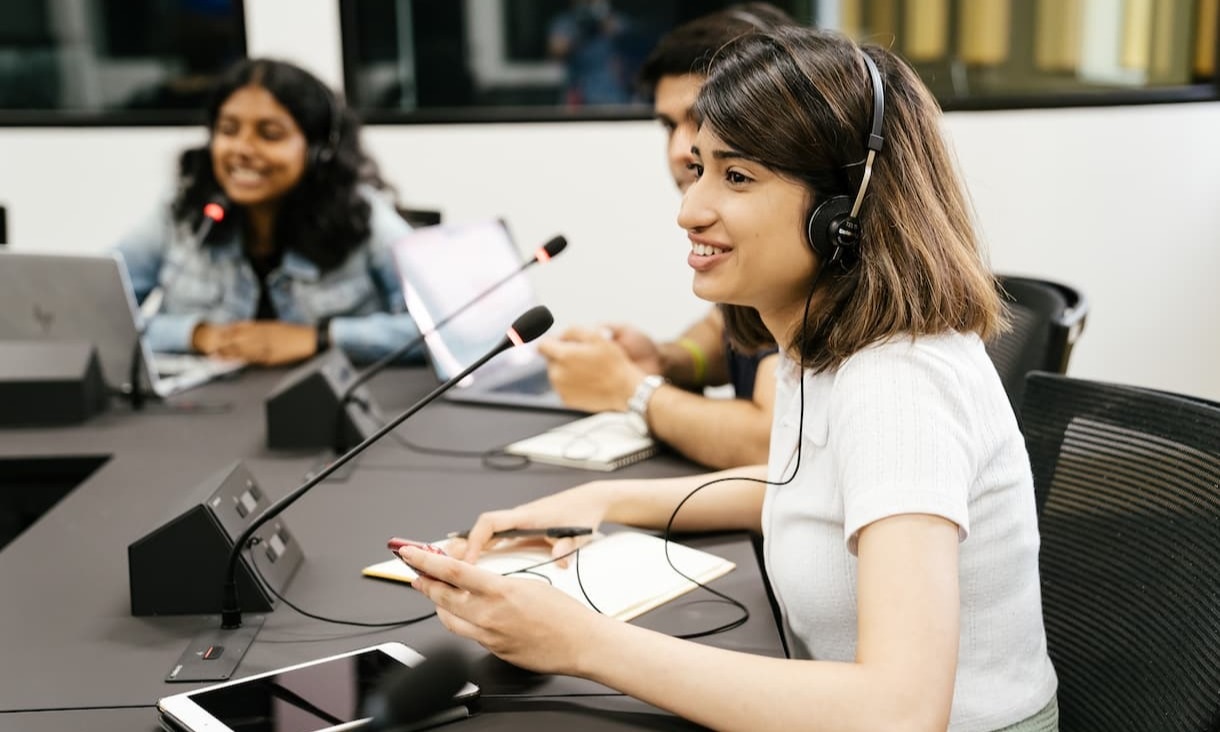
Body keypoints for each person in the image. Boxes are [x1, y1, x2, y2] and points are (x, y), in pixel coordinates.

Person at [401, 26, 1059, 732]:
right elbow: (808, 487)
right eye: (699, 171)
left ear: (844, 212)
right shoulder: (824, 344)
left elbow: (901, 713)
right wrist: (601, 496)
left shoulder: (898, 382)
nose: (689, 210)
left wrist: (579, 643)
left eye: (737, 177)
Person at [539, 4, 795, 470]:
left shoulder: (809, 242)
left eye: (699, 117)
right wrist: (667, 359)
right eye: (667, 125)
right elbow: (733, 329)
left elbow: (771, 444)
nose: (680, 149)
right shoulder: (749, 247)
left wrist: (630, 390)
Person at [116, 58, 422, 366]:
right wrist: (195, 334)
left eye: (269, 134)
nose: (242, 149)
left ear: (319, 151)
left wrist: (319, 338)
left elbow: (445, 326)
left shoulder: (364, 214)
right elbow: (92, 312)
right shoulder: (183, 212)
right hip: (206, 406)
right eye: (228, 130)